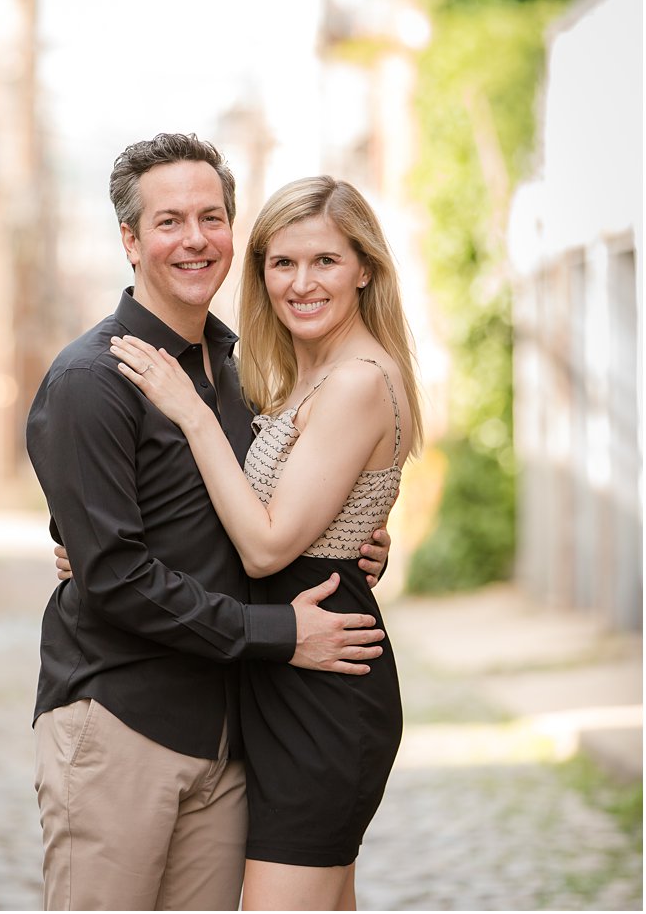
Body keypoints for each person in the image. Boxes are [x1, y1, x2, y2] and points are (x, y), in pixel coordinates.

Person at [28, 134, 392, 911]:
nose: (195, 239)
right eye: (168, 221)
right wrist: (281, 633)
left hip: (232, 735)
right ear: (129, 238)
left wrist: (353, 537)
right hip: (124, 719)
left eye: (212, 216)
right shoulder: (93, 378)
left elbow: (265, 513)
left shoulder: (236, 371)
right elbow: (116, 575)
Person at [106, 174, 420, 909]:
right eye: (282, 263)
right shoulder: (302, 374)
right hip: (283, 673)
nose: (301, 283)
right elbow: (296, 512)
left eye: (325, 262)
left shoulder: (356, 381)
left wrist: (191, 411)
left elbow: (267, 546)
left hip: (325, 685)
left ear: (365, 267)